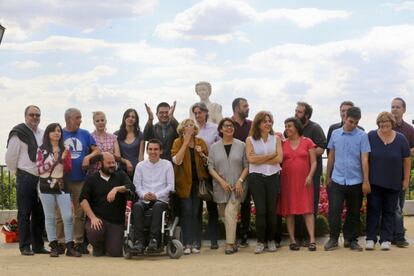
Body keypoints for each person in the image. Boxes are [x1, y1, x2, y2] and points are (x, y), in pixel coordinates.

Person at [324, 107, 370, 251]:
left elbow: (364, 159)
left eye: (356, 123)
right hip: (337, 180)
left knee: (354, 212)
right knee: (334, 211)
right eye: (351, 121)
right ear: (344, 118)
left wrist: (366, 181)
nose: (353, 125)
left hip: (356, 181)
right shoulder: (335, 134)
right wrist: (328, 176)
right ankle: (333, 239)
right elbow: (331, 155)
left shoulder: (362, 136)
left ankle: (352, 240)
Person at [5, 105, 48, 255]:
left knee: (40, 213)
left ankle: (38, 245)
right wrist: (17, 173)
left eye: (37, 115)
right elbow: (10, 157)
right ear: (25, 116)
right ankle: (24, 246)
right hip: (25, 177)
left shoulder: (43, 134)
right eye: (32, 115)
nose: (35, 118)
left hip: (41, 178)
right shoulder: (19, 133)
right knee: (24, 213)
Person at [57, 108, 100, 254]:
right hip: (63, 179)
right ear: (69, 119)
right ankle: (61, 242)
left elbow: (97, 151)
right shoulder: (60, 134)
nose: (80, 120)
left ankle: (79, 242)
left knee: (80, 213)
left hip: (81, 179)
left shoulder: (85, 134)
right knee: (61, 213)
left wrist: (88, 157)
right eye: (78, 117)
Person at [365, 112, 411, 251]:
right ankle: (370, 239)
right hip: (374, 181)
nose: (384, 124)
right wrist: (365, 179)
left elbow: (407, 160)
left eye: (387, 122)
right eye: (381, 122)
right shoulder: (371, 136)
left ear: (392, 123)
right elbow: (365, 159)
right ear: (378, 123)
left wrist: (406, 179)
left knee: (389, 211)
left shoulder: (401, 139)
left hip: (394, 182)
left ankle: (385, 239)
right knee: (373, 209)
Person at [36, 123, 81, 257]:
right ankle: (54, 246)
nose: (57, 133)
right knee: (50, 217)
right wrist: (54, 159)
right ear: (48, 133)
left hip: (62, 185)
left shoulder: (65, 148)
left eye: (59, 131)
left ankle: (69, 245)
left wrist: (65, 158)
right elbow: (39, 170)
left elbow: (68, 169)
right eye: (53, 131)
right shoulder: (41, 149)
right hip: (45, 186)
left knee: (67, 216)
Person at [80, 152, 135, 257]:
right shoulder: (92, 178)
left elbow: (131, 187)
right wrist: (92, 218)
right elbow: (83, 200)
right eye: (109, 163)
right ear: (100, 164)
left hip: (116, 221)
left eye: (113, 162)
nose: (112, 165)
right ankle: (98, 246)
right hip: (98, 218)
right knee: (94, 231)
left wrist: (116, 189)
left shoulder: (120, 174)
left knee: (115, 253)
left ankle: (109, 244)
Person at [208, 118, 249, 254]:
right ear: (221, 129)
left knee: (230, 212)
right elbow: (210, 167)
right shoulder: (214, 147)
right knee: (224, 216)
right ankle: (234, 241)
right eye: (226, 126)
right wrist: (221, 181)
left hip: (238, 187)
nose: (229, 128)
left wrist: (240, 181)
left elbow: (247, 165)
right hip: (221, 187)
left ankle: (229, 244)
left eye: (231, 126)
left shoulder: (242, 145)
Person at [246, 111, 283, 254]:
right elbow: (251, 160)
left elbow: (279, 159)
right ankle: (260, 242)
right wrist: (270, 156)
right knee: (260, 211)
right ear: (258, 124)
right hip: (256, 178)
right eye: (264, 121)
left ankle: (271, 240)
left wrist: (260, 157)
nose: (268, 124)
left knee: (271, 211)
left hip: (273, 176)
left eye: (270, 121)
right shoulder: (250, 140)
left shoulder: (276, 139)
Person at [277, 117, 317, 251]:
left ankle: (312, 240)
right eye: (285, 126)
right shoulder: (282, 143)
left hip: (305, 181)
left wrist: (310, 176)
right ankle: (292, 240)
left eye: (289, 126)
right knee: (289, 210)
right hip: (287, 181)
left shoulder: (308, 142)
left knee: (308, 210)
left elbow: (314, 162)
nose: (287, 128)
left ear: (297, 127)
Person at [171, 119, 209, 255]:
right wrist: (186, 143)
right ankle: (186, 243)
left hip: (198, 184)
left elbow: (208, 163)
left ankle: (196, 242)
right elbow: (176, 160)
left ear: (195, 128)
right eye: (186, 125)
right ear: (182, 129)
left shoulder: (201, 142)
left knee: (196, 213)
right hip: (184, 183)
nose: (189, 127)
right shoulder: (178, 142)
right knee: (186, 212)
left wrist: (202, 154)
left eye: (191, 125)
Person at [132, 139, 175, 253]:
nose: (153, 152)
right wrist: (144, 195)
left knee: (158, 206)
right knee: (136, 206)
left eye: (156, 149)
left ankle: (154, 240)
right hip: (144, 199)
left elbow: (170, 186)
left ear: (161, 151)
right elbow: (137, 186)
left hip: (161, 200)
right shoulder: (140, 166)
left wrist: (156, 195)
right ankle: (139, 242)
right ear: (147, 151)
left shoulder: (167, 164)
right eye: (150, 149)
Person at [294, 102, 326, 245]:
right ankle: (298, 236)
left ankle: (309, 237)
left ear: (306, 115)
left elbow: (321, 148)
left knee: (310, 205)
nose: (296, 114)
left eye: (299, 112)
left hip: (311, 174)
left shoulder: (315, 128)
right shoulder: (292, 128)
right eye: (296, 111)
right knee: (296, 204)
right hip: (295, 175)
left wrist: (304, 154)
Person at [192, 102, 220, 250]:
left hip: (211, 171)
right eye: (195, 113)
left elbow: (220, 148)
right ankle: (197, 240)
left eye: (200, 112)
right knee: (196, 209)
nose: (198, 115)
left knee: (212, 208)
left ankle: (214, 239)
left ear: (205, 113)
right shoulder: (191, 129)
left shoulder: (214, 129)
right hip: (196, 173)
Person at [391, 97, 414, 247]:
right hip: (385, 174)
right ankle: (397, 235)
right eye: (392, 107)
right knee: (394, 207)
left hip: (402, 174)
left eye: (397, 107)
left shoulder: (409, 130)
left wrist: (404, 151)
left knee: (398, 205)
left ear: (404, 110)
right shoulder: (386, 126)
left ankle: (397, 234)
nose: (394, 109)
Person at [231, 97, 252, 247]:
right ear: (237, 108)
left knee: (245, 202)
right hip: (231, 170)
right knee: (232, 202)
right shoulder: (227, 124)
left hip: (249, 169)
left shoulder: (251, 125)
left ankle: (244, 233)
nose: (248, 108)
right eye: (245, 106)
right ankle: (232, 233)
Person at [89, 111, 121, 175]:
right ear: (94, 122)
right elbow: (89, 159)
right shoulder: (89, 137)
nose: (100, 122)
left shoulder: (113, 137)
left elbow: (118, 157)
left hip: (110, 172)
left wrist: (100, 154)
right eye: (97, 121)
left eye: (102, 120)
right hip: (94, 173)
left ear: (106, 121)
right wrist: (109, 153)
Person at [115, 108, 144, 178]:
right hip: (121, 171)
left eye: (133, 117)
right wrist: (126, 162)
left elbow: (141, 157)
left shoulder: (141, 135)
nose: (130, 118)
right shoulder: (116, 135)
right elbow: (116, 155)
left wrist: (140, 171)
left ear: (136, 120)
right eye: (128, 116)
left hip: (137, 170)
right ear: (124, 118)